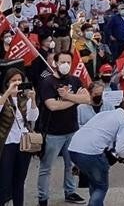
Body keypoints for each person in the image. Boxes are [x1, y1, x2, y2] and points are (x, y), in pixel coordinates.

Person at [37, 52, 91, 206]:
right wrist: (74, 99)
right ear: (55, 63)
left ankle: (70, 192)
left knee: (72, 165)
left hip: (72, 130)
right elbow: (52, 106)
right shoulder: (47, 82)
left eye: (68, 61)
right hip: (53, 133)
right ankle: (42, 198)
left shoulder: (74, 80)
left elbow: (87, 98)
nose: (66, 64)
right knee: (46, 167)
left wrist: (67, 96)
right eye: (62, 61)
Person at [68, 100, 124, 206]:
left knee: (94, 181)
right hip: (91, 153)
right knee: (101, 187)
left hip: (73, 149)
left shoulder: (105, 114)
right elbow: (120, 149)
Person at [0, 68, 39, 206]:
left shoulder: (24, 98)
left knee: (19, 180)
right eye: (13, 80)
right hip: (6, 143)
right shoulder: (2, 97)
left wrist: (33, 100)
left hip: (23, 143)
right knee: (4, 179)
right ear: (7, 82)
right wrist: (7, 93)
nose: (17, 83)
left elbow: (33, 117)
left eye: (19, 80)